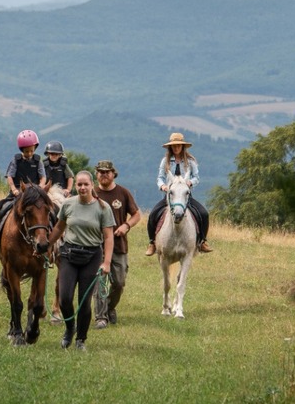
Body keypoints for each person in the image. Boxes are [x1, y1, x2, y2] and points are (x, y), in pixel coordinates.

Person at [46, 170, 114, 350]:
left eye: (86, 184)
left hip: (92, 257)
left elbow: (108, 237)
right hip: (68, 255)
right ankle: (70, 329)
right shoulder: (68, 205)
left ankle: (80, 339)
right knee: (65, 298)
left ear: (92, 185)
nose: (83, 188)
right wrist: (46, 246)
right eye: (79, 184)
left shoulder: (103, 208)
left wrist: (106, 262)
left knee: (84, 303)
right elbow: (59, 229)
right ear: (75, 186)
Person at [92, 159, 142, 328]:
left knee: (119, 283)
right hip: (96, 246)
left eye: (107, 172)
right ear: (96, 173)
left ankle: (110, 307)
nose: (103, 175)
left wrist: (126, 226)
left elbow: (136, 214)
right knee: (98, 281)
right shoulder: (91, 193)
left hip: (119, 245)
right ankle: (100, 317)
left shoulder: (123, 193)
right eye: (100, 172)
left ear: (114, 173)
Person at [145, 132, 213, 256]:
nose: (176, 148)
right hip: (170, 196)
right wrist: (163, 186)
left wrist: (189, 183)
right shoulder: (165, 161)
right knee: (153, 214)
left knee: (204, 214)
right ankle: (152, 243)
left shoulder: (191, 161)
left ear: (183, 146)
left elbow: (196, 177)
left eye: (178, 145)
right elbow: (160, 178)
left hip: (185, 196)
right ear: (171, 147)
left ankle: (202, 241)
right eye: (174, 146)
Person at [0, 129, 48, 245]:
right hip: (18, 193)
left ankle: (56, 238)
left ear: (35, 148)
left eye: (31, 150)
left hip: (34, 194)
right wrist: (14, 189)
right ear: (21, 150)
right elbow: (10, 176)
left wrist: (40, 188)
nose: (29, 154)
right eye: (26, 151)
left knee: (50, 210)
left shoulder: (38, 161)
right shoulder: (16, 160)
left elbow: (43, 177)